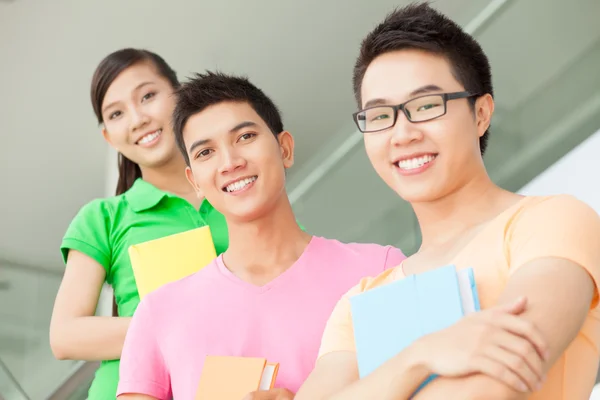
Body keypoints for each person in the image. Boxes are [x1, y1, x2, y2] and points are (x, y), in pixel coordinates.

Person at [296, 3, 600, 400]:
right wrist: (419, 357)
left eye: (425, 106)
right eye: (380, 115)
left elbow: (494, 384)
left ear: (481, 113)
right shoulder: (358, 304)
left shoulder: (551, 223)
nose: (402, 134)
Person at [115, 72, 406, 400]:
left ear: (285, 149)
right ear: (194, 181)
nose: (230, 162)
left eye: (244, 137)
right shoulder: (159, 313)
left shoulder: (380, 272)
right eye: (205, 153)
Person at [49, 48, 230, 400]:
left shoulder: (234, 190)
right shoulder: (103, 217)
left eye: (147, 96)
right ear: (108, 137)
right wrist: (179, 325)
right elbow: (65, 335)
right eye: (116, 113)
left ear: (179, 95)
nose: (137, 119)